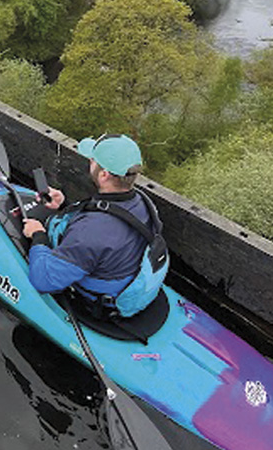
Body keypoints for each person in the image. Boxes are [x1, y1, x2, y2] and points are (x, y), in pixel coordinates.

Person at [21, 133, 168, 318]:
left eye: (92, 160)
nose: (89, 162)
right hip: (119, 267)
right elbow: (104, 227)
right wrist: (65, 206)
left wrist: (38, 235)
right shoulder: (142, 202)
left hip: (98, 302)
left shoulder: (90, 233)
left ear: (104, 174)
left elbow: (43, 280)